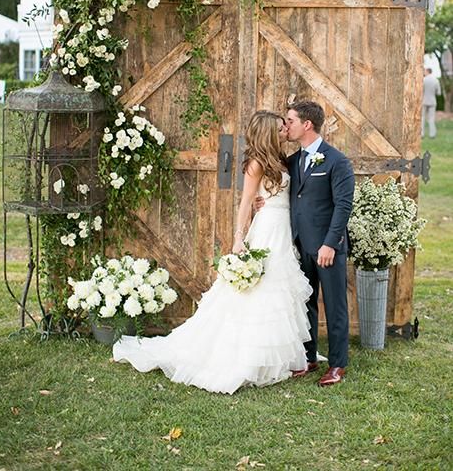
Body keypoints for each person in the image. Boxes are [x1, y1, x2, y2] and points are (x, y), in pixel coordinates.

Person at [113, 110, 312, 394]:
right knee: (259, 292)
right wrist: (239, 239)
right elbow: (245, 203)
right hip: (266, 229)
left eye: (285, 126)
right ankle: (249, 358)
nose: (285, 131)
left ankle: (278, 358)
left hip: (282, 227)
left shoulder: (281, 160)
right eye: (280, 128)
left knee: (279, 291)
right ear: (269, 132)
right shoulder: (256, 164)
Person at [257, 101, 354, 386]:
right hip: (299, 245)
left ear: (307, 124)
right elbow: (284, 193)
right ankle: (308, 358)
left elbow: (343, 206)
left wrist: (330, 244)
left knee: (335, 305)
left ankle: (337, 364)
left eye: (290, 121)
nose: (286, 126)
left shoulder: (337, 161)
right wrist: (262, 200)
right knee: (306, 304)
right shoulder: (292, 161)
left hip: (327, 247)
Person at [422, 67, 441, 138]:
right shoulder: (436, 80)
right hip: (433, 101)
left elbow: (420, 91)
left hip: (424, 101)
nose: (424, 72)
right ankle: (432, 134)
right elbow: (439, 93)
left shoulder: (423, 80)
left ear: (427, 71)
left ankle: (421, 134)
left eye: (424, 71)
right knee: (431, 118)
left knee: (422, 118)